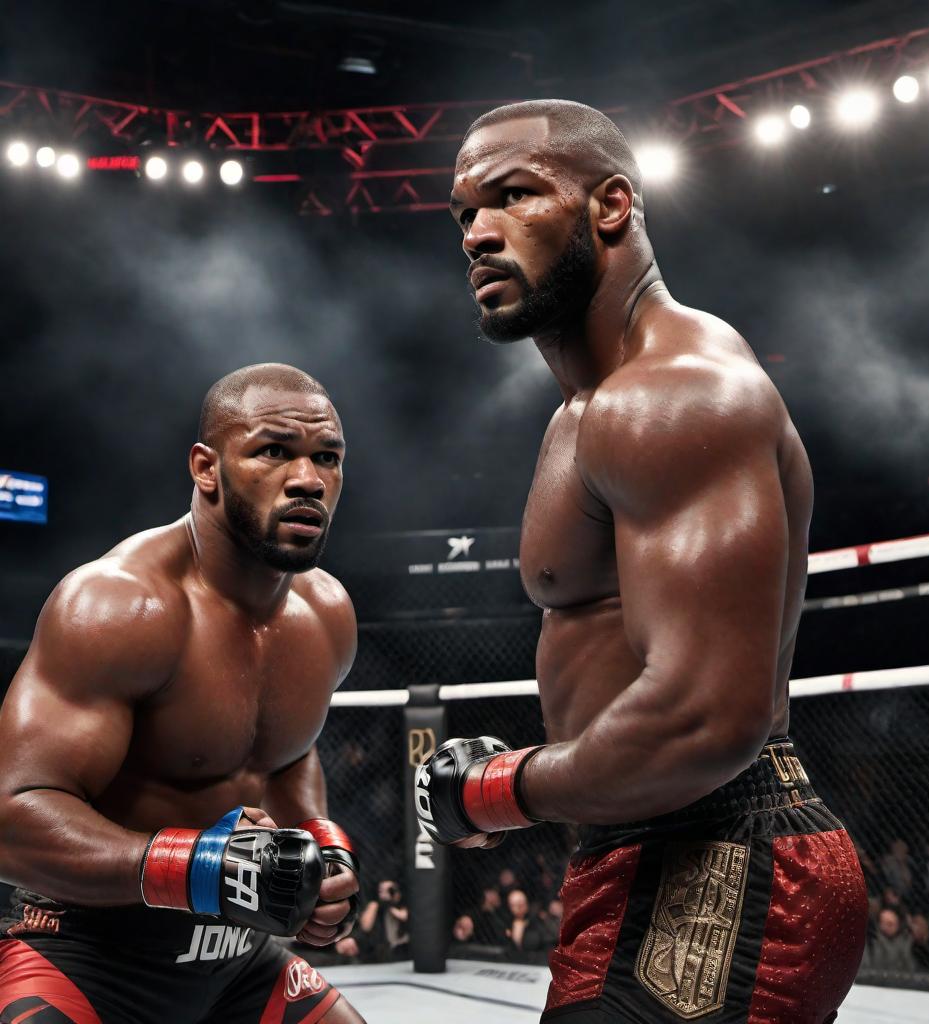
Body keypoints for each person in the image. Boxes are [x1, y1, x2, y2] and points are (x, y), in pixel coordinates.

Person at [415, 99, 867, 1023]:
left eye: (513, 196)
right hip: (645, 852)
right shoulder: (587, 412)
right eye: (465, 213)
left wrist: (498, 792)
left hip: (723, 851)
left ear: (611, 207)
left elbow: (706, 718)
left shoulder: (671, 396)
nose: (479, 233)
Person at [0, 364, 366, 1024]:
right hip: (90, 955)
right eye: (274, 451)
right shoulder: (118, 606)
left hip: (238, 960)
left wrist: (321, 844)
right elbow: (12, 814)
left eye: (327, 458)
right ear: (206, 468)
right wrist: (195, 866)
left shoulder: (326, 616)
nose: (309, 479)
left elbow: (285, 757)